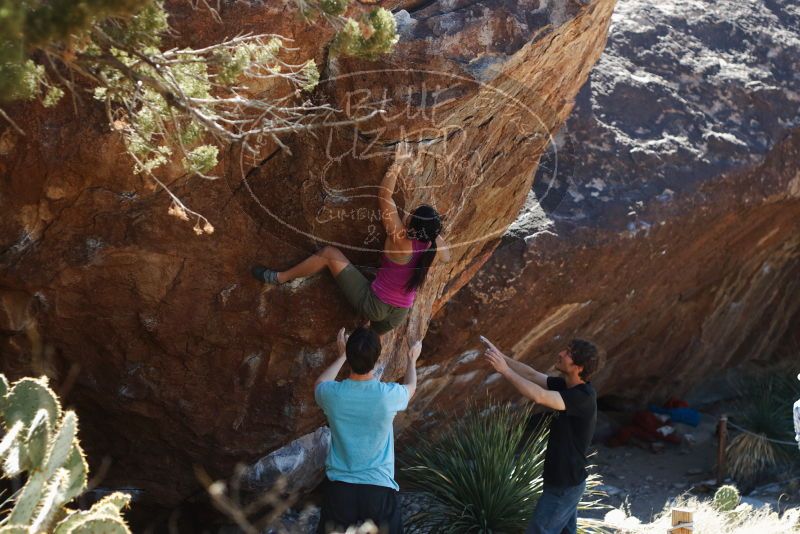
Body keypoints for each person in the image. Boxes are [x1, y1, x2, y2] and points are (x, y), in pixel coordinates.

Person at [251, 144, 449, 335]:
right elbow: (447, 256)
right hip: (398, 315)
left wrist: (397, 163)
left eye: (413, 213)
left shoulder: (399, 237)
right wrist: (431, 231)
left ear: (413, 224)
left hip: (375, 305)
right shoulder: (430, 246)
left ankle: (280, 277)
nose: (410, 212)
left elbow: (384, 196)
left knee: (329, 254)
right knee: (368, 342)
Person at [482, 337, 601, 534]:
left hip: (564, 485)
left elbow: (540, 396)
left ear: (578, 368)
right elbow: (531, 374)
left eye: (568, 353)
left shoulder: (583, 397)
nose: (561, 354)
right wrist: (500, 355)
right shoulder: (566, 385)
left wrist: (504, 370)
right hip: (564, 482)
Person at [314, 326, 422, 533]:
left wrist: (342, 356)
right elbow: (411, 387)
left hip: (340, 490)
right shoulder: (387, 396)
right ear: (377, 358)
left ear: (351, 355)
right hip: (378, 489)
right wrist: (411, 360)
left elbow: (320, 382)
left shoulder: (333, 395)